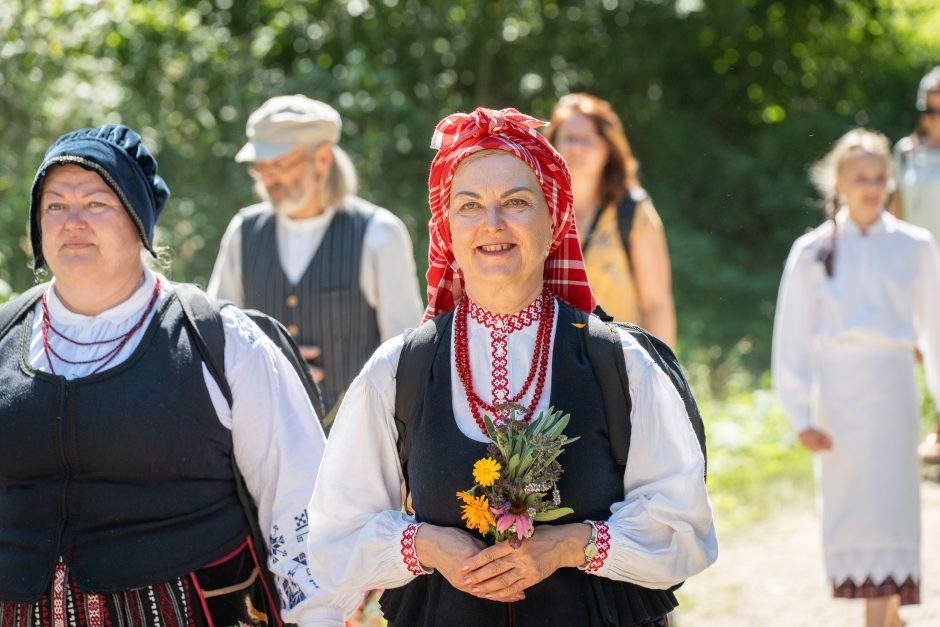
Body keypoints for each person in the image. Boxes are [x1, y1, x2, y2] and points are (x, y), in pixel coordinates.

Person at [304, 107, 716, 626]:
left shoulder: (617, 361)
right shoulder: (400, 370)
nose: (492, 224)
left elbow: (683, 524)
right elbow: (336, 532)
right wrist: (427, 545)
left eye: (516, 202)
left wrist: (568, 545)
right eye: (469, 206)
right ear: (447, 228)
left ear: (554, 220)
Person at [0, 124, 325, 624]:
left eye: (96, 204)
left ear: (139, 223)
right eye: (55, 206)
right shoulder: (6, 338)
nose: (73, 222)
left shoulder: (218, 339)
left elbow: (299, 500)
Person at [772, 128, 940, 627]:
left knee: (892, 507)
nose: (870, 186)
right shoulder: (812, 250)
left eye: (879, 176)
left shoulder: (914, 246)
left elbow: (935, 330)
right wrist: (799, 413)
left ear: (891, 181)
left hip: (892, 393)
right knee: (854, 511)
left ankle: (880, 619)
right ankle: (886, 619)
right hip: (839, 399)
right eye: (859, 176)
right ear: (838, 183)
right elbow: (792, 337)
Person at [208, 94, 424, 420]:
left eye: (280, 164)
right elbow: (215, 338)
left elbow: (407, 357)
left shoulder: (379, 233)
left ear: (323, 159)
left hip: (357, 439)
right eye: (261, 167)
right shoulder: (243, 231)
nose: (269, 178)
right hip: (261, 436)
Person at [545, 93, 676, 347]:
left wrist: (663, 374)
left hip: (620, 365)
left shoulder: (632, 211)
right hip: (550, 365)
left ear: (608, 148)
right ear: (553, 146)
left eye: (588, 139)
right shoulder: (535, 211)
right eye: (569, 138)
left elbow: (656, 303)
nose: (577, 147)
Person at [892, 66, 940, 463]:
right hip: (917, 262)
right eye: (930, 110)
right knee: (921, 347)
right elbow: (896, 208)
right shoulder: (906, 152)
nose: (935, 120)